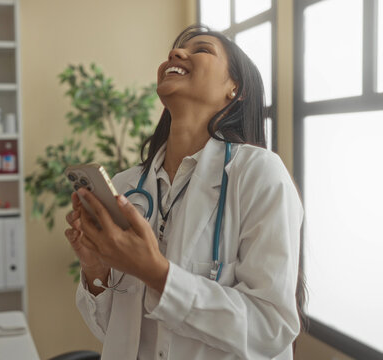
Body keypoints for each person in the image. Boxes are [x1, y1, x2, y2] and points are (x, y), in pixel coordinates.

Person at [65, 25, 305, 359]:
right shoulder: (125, 186)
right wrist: (95, 269)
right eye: (176, 50)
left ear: (235, 89)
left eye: (202, 50)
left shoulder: (258, 174)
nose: (175, 55)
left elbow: (270, 329)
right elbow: (111, 332)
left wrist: (157, 274)